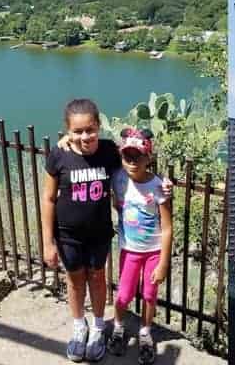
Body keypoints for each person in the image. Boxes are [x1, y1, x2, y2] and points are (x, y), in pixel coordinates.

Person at [42, 99, 121, 362]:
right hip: (67, 235)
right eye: (77, 131)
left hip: (99, 233)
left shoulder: (110, 152)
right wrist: (47, 242)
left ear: (98, 125)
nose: (84, 136)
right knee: (75, 281)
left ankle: (98, 327)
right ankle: (79, 326)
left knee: (98, 278)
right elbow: (49, 198)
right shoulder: (59, 155)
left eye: (90, 129)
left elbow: (137, 163)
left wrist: (161, 185)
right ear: (67, 131)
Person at [107, 127, 173, 365]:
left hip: (153, 252)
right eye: (127, 156)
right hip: (129, 250)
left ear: (149, 158)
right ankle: (118, 327)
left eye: (138, 156)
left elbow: (167, 227)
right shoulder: (117, 178)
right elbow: (116, 202)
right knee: (123, 295)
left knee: (149, 294)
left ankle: (145, 333)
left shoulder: (158, 186)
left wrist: (164, 262)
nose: (132, 161)